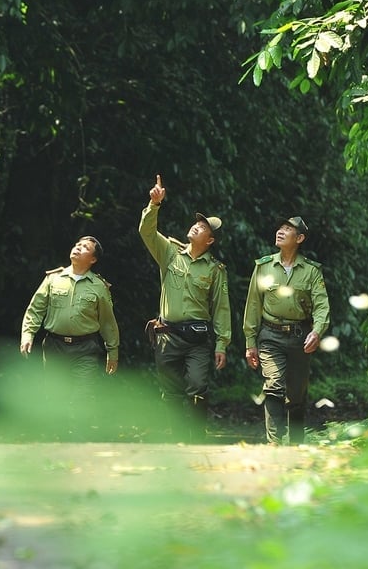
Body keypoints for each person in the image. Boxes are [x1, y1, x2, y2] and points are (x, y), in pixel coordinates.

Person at [138, 175, 231, 438]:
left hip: (198, 339)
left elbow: (221, 308)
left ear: (210, 241)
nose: (196, 227)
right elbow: (146, 232)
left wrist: (222, 343)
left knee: (198, 386)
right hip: (167, 335)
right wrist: (154, 204)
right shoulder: (169, 252)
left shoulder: (215, 270)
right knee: (171, 391)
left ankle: (196, 436)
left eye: (203, 228)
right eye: (197, 224)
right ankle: (176, 436)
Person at [20, 236, 120, 437]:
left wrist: (113, 351)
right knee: (55, 394)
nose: (77, 248)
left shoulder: (99, 286)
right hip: (55, 346)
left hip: (85, 349)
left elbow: (108, 322)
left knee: (83, 394)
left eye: (84, 248)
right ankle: (59, 436)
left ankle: (79, 438)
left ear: (92, 259)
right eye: (77, 245)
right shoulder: (53, 279)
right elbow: (35, 309)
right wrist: (28, 334)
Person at [242, 215, 330, 445]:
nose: (280, 231)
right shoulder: (263, 267)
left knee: (297, 396)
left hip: (300, 336)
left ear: (299, 238)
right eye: (280, 227)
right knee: (273, 386)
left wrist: (317, 331)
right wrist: (250, 343)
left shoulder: (311, 271)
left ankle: (296, 444)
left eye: (288, 229)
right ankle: (275, 442)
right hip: (270, 335)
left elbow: (322, 306)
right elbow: (253, 305)